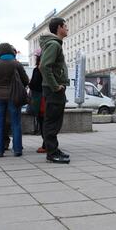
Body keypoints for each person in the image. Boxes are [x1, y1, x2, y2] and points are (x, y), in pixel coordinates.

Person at [0, 43, 29, 157]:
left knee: (0, 124)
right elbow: (25, 80)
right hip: (14, 97)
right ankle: (17, 150)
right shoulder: (17, 64)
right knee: (16, 123)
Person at [39, 17, 71, 164]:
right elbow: (44, 66)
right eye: (65, 26)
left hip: (54, 88)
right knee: (52, 121)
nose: (67, 28)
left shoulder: (54, 44)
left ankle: (54, 149)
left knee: (54, 120)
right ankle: (51, 153)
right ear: (59, 28)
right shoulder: (54, 45)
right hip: (54, 89)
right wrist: (55, 86)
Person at [28, 50, 46, 153]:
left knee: (43, 122)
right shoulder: (49, 68)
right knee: (49, 123)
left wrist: (30, 83)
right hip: (49, 98)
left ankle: (46, 145)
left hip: (41, 100)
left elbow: (33, 85)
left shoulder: (37, 70)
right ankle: (49, 144)